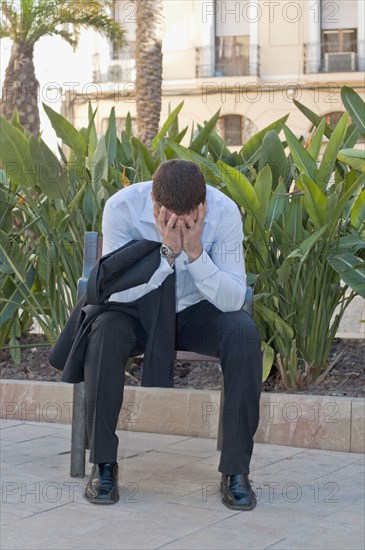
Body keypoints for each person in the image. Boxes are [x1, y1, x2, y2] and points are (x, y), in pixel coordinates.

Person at [82, 159, 262, 511]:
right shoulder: (121, 208)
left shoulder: (224, 213)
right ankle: (103, 464)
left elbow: (233, 298)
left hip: (198, 310)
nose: (179, 225)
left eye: (190, 218)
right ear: (153, 201)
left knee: (243, 334)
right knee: (103, 333)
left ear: (203, 204)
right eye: (168, 216)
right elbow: (114, 292)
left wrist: (194, 253)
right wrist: (165, 254)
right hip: (136, 309)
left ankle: (236, 471)